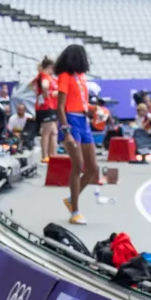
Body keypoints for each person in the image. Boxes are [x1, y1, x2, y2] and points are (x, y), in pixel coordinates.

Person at [55, 44, 97, 226]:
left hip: (84, 122)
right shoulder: (64, 77)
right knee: (78, 166)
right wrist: (66, 131)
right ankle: (75, 212)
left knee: (93, 168)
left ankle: (72, 199)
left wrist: (93, 111)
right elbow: (60, 107)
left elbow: (82, 102)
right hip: (71, 122)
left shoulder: (81, 77)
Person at [32, 57, 59, 161]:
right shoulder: (44, 76)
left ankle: (52, 155)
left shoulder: (41, 77)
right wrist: (46, 93)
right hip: (46, 107)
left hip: (48, 106)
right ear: (50, 67)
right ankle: (44, 156)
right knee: (46, 132)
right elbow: (44, 86)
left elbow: (33, 87)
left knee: (54, 132)